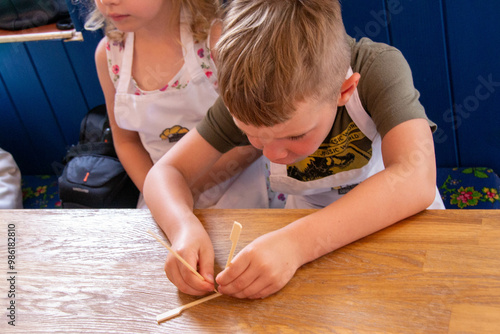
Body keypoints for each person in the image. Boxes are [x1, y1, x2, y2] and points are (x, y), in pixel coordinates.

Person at [143, 0, 446, 299]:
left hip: (401, 220)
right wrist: (183, 227)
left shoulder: (378, 69)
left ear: (344, 90)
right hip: (305, 225)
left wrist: (297, 243)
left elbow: (415, 177)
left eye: (295, 136)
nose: (273, 154)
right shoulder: (246, 96)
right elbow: (165, 173)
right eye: (253, 136)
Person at [86, 0, 275, 209]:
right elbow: (126, 142)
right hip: (162, 194)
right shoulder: (108, 56)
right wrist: (158, 193)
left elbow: (256, 139)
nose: (107, 1)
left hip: (240, 188)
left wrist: (180, 187)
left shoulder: (218, 40)